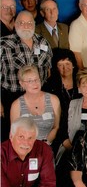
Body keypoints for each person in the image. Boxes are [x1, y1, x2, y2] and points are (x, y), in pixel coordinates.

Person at [1, 11, 52, 141]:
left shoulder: (43, 42)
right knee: (14, 135)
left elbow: (48, 70)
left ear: (34, 24)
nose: (26, 26)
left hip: (38, 96)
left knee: (38, 134)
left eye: (29, 23)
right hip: (11, 97)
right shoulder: (3, 44)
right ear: (15, 24)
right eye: (22, 23)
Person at [43, 49, 82, 151]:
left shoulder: (81, 82)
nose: (65, 68)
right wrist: (63, 139)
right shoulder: (49, 87)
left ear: (73, 64)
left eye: (68, 63)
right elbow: (49, 118)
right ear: (56, 67)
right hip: (57, 133)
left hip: (79, 130)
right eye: (61, 65)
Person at [10, 65, 60, 144]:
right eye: (30, 81)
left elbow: (56, 127)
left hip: (48, 146)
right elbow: (14, 133)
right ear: (22, 84)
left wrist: (45, 145)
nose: (35, 83)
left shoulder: (53, 99)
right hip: (25, 147)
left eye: (36, 79)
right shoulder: (16, 105)